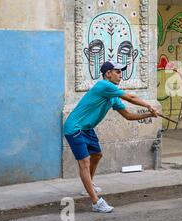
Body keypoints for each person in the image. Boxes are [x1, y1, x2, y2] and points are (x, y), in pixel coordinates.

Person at [63, 61, 159, 213]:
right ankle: (96, 202)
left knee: (97, 155)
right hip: (74, 128)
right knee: (85, 163)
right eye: (118, 72)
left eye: (121, 72)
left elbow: (127, 115)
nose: (121, 75)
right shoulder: (103, 85)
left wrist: (150, 115)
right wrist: (148, 105)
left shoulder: (113, 96)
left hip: (87, 128)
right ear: (108, 73)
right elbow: (131, 97)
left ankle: (88, 184)